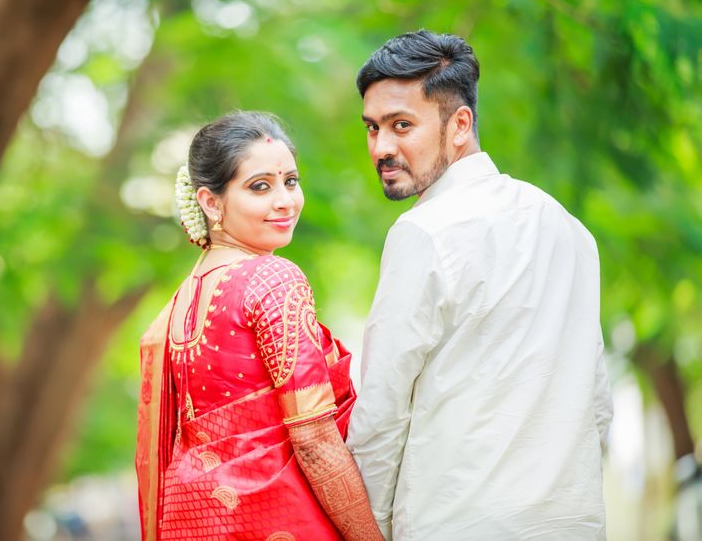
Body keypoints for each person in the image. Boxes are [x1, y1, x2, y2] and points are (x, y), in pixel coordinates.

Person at [345, 31, 613, 540]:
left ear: (460, 124)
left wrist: (368, 528)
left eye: (402, 125)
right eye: (372, 127)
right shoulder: (570, 229)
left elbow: (382, 414)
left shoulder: (422, 232)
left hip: (457, 524)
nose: (382, 147)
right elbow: (596, 400)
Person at [135, 111, 383, 541]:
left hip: (198, 522)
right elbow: (315, 441)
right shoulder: (272, 279)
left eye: (290, 180)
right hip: (276, 520)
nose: (285, 200)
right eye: (260, 187)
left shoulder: (178, 305)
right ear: (211, 202)